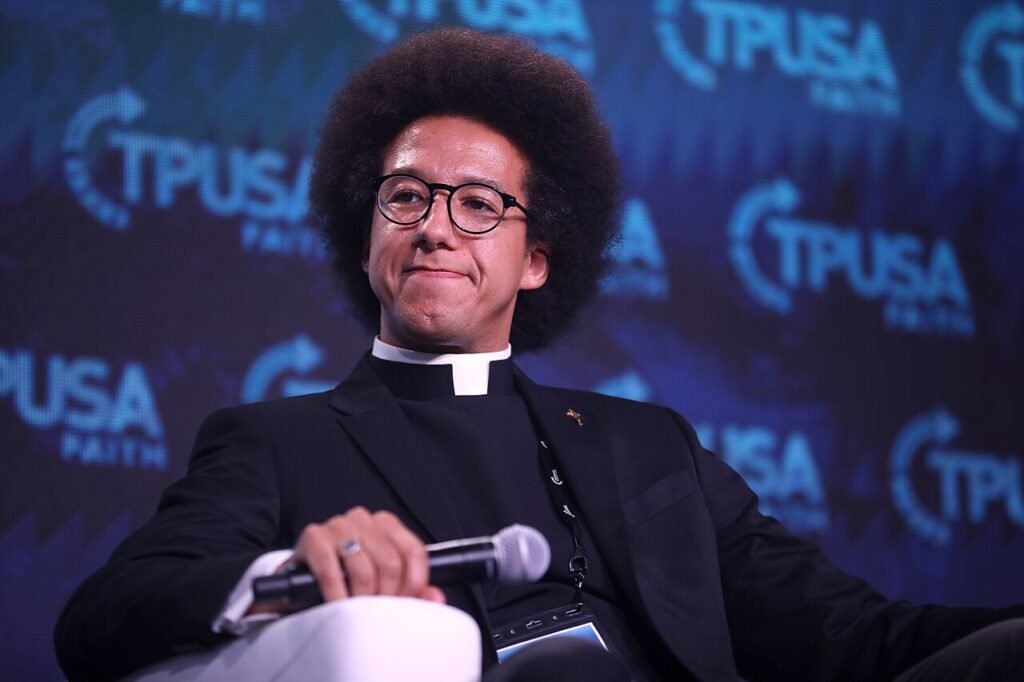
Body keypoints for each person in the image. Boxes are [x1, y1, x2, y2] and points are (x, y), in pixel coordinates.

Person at [54, 29, 1024, 682]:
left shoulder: (649, 446)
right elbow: (101, 618)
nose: (436, 228)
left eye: (479, 204)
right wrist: (286, 576)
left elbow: (853, 637)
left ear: (536, 260)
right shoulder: (276, 441)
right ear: (367, 233)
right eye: (406, 197)